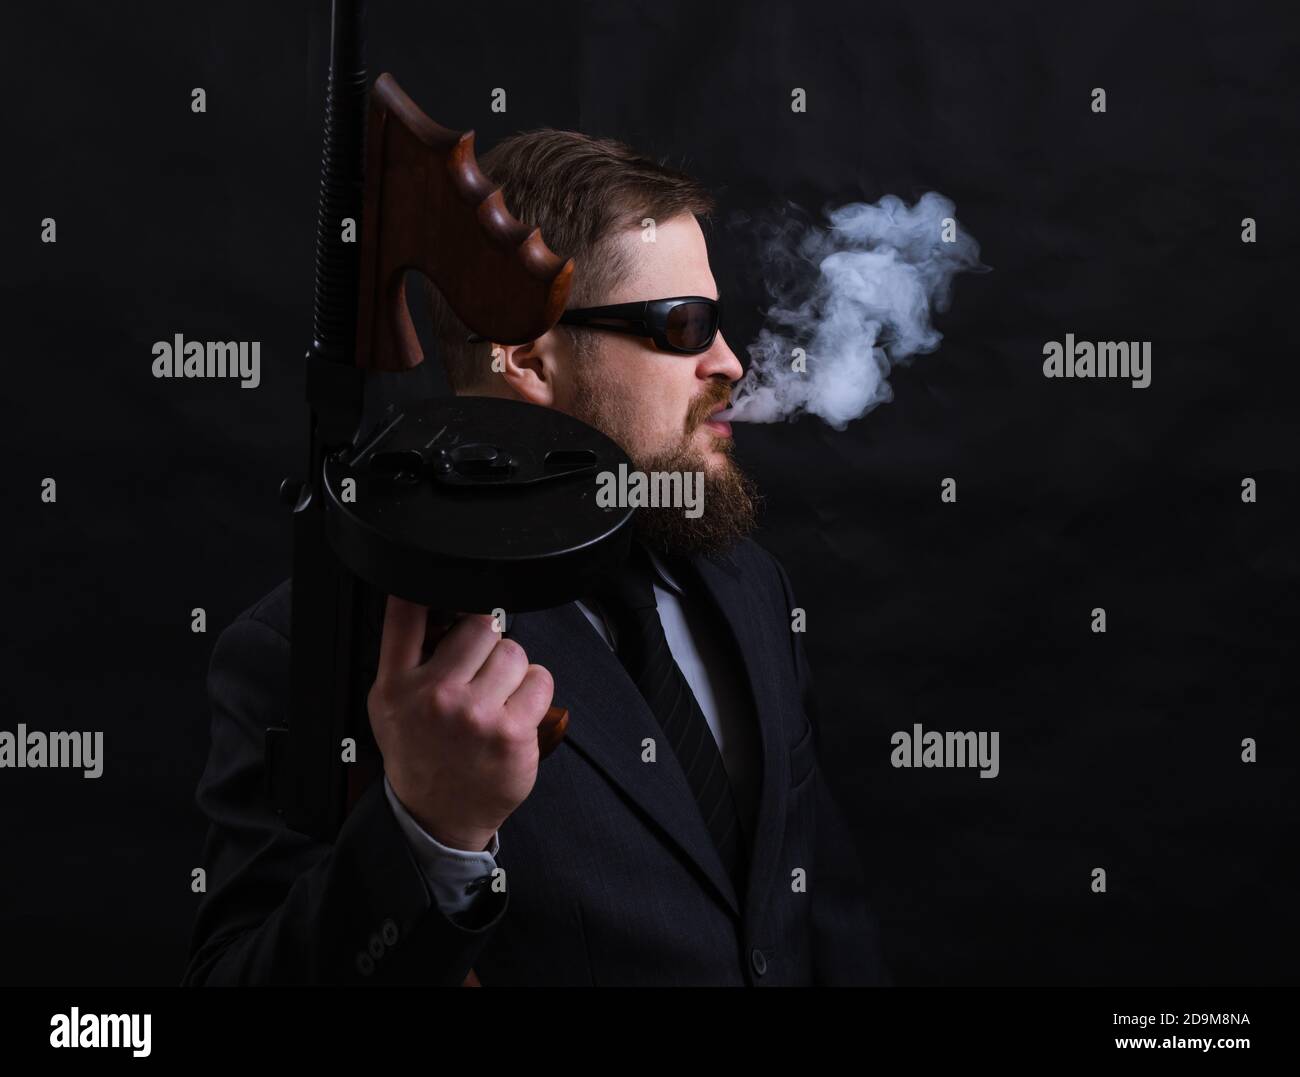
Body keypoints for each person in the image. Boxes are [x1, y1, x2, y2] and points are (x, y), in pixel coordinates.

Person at [183, 129, 890, 986]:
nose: (730, 364)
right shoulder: (318, 647)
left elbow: (820, 915)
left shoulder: (747, 585)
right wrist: (429, 832)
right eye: (685, 327)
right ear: (526, 359)